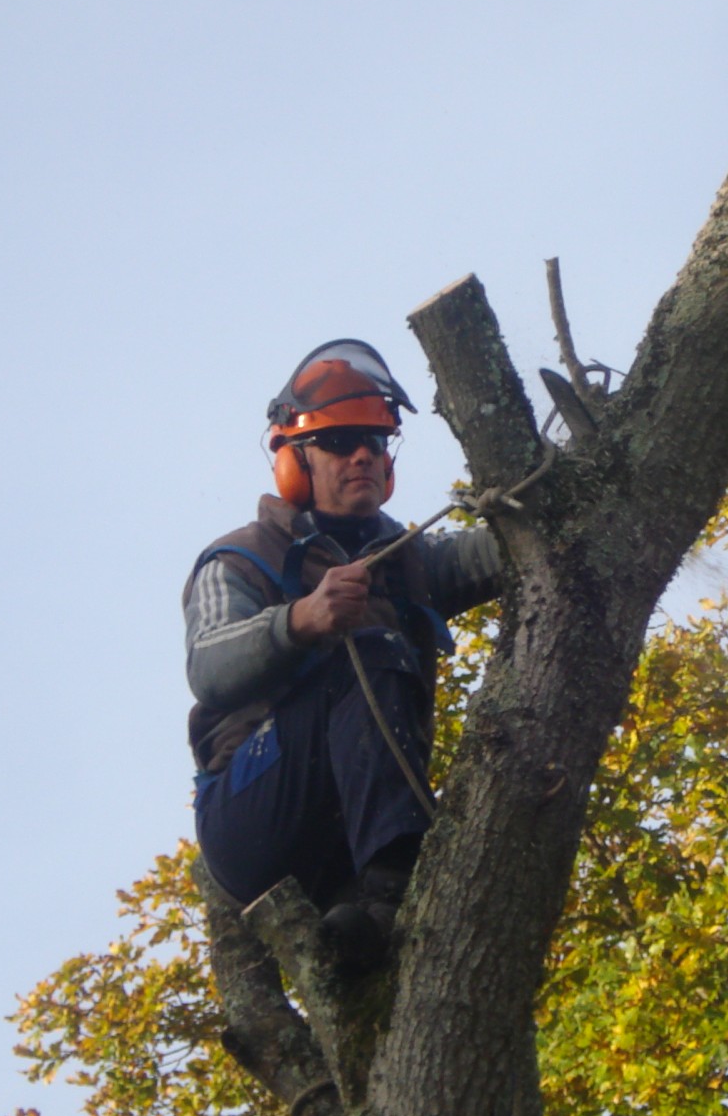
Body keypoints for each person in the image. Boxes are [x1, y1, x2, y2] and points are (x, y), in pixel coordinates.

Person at [185, 338, 501, 967]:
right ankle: (393, 885)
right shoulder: (239, 558)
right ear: (292, 462)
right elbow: (208, 667)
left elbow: (492, 552)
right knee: (372, 651)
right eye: (338, 442)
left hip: (345, 840)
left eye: (375, 443)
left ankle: (368, 926)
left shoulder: (405, 560)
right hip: (253, 814)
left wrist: (554, 488)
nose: (361, 455)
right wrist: (298, 621)